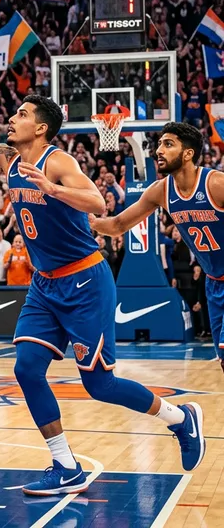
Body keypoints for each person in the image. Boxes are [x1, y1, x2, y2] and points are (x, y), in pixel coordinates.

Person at [0, 48, 203, 495]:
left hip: (84, 280)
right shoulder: (8, 160)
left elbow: (99, 203)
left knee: (99, 385)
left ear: (40, 127)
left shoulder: (55, 162)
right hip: (44, 285)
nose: (12, 118)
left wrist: (53, 190)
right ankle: (65, 464)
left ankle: (180, 419)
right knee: (26, 368)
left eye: (21, 114)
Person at [91, 121, 220, 391]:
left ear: (188, 154)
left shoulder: (216, 184)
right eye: (159, 143)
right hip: (214, 283)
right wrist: (84, 219)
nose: (159, 149)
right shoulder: (161, 190)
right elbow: (117, 226)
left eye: (168, 144)